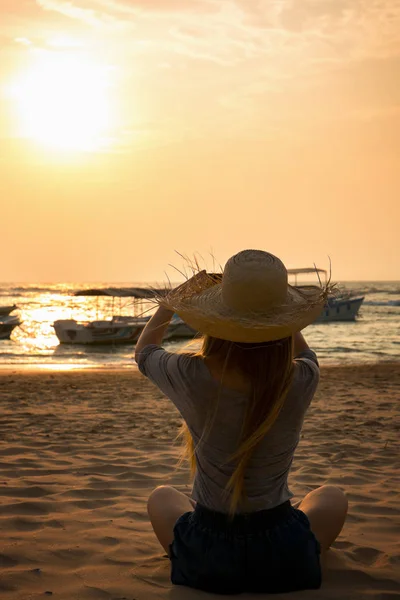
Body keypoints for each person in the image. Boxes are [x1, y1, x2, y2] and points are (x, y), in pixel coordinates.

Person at [135, 249, 348, 594]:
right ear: (286, 324)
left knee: (162, 496)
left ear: (215, 324)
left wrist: (173, 302)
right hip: (283, 552)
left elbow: (144, 352)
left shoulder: (192, 375)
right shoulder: (301, 380)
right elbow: (306, 354)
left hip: (207, 552)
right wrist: (278, 315)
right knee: (333, 496)